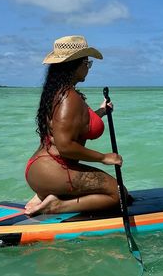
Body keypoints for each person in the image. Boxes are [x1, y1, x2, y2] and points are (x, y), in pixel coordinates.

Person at [24, 35, 122, 216]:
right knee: (118, 195)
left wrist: (101, 112)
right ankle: (55, 206)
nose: (88, 67)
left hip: (42, 169)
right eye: (87, 62)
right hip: (54, 169)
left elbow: (73, 124)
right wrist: (104, 158)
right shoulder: (69, 98)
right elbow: (66, 146)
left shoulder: (58, 93)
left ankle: (45, 194)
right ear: (75, 65)